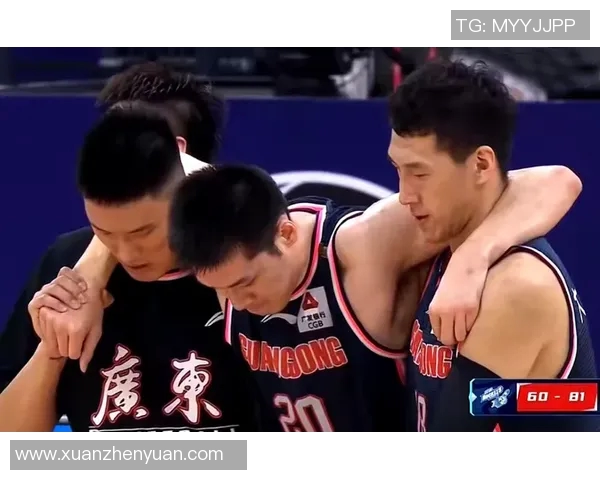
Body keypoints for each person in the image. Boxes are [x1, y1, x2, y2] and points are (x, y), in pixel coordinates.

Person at [26, 71, 582, 431]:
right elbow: (150, 192)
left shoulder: (364, 250)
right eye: (221, 292)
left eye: (243, 285)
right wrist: (93, 271)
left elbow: (553, 180)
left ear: (286, 234)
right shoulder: (227, 242)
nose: (235, 303)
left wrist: (472, 258)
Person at [0, 104, 259, 432]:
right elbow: (10, 443)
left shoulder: (246, 269)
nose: (126, 253)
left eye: (143, 232)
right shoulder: (66, 266)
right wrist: (52, 349)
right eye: (104, 232)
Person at [387, 59, 597, 431]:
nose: (404, 195)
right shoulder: (448, 240)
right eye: (397, 170)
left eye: (419, 173)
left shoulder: (517, 288)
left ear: (482, 164)